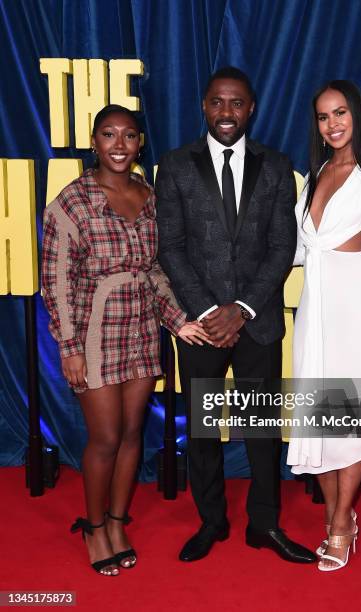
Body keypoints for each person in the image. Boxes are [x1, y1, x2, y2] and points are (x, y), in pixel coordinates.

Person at [155, 66, 316, 564]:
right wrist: (207, 312)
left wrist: (241, 310)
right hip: (201, 329)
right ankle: (212, 521)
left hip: (258, 322)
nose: (227, 112)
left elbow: (280, 246)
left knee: (262, 430)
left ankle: (263, 525)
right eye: (218, 103)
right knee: (203, 430)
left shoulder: (276, 165)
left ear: (252, 109)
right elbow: (171, 248)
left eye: (238, 103)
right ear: (204, 106)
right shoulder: (175, 166)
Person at [41, 104, 207, 576]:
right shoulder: (71, 202)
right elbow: (55, 282)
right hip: (93, 334)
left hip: (140, 332)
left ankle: (117, 521)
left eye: (129, 135)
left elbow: (153, 270)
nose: (119, 144)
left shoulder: (149, 197)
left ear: (139, 144)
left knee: (133, 434)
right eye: (108, 135)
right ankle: (94, 527)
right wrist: (68, 346)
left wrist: (178, 322)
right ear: (93, 142)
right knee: (106, 437)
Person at [286, 81, 361, 571]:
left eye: (340, 113)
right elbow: (297, 249)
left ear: (356, 114)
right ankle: (340, 515)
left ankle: (339, 522)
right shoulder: (316, 174)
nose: (332, 124)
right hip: (315, 310)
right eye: (322, 116)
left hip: (360, 307)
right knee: (319, 419)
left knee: (354, 420)